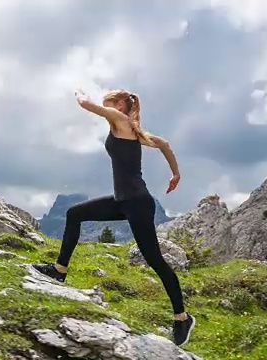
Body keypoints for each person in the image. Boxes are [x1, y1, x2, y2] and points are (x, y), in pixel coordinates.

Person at [31, 88, 196, 347]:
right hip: (123, 201)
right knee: (74, 214)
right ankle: (59, 271)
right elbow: (163, 144)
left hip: (138, 204)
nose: (104, 106)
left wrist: (79, 93)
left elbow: (85, 103)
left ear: (118, 105)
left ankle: (182, 318)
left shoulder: (120, 120)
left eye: (107, 102)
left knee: (155, 260)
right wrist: (175, 173)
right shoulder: (132, 129)